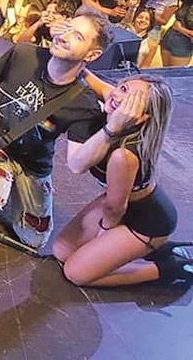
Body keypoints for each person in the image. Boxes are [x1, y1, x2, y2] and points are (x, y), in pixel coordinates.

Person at [0, 6, 110, 249]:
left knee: (34, 239)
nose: (64, 37)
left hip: (32, 162)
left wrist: (111, 128)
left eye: (77, 37)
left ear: (92, 55)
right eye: (68, 29)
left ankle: (9, 181)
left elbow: (76, 163)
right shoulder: (24, 54)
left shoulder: (84, 103)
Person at [53, 74, 192, 287]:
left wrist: (104, 233)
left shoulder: (124, 155)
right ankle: (141, 250)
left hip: (145, 222)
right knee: (61, 251)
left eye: (133, 100)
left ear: (143, 117)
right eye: (123, 88)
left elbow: (115, 207)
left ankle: (170, 267)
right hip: (119, 200)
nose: (119, 96)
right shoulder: (115, 102)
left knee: (75, 272)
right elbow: (91, 79)